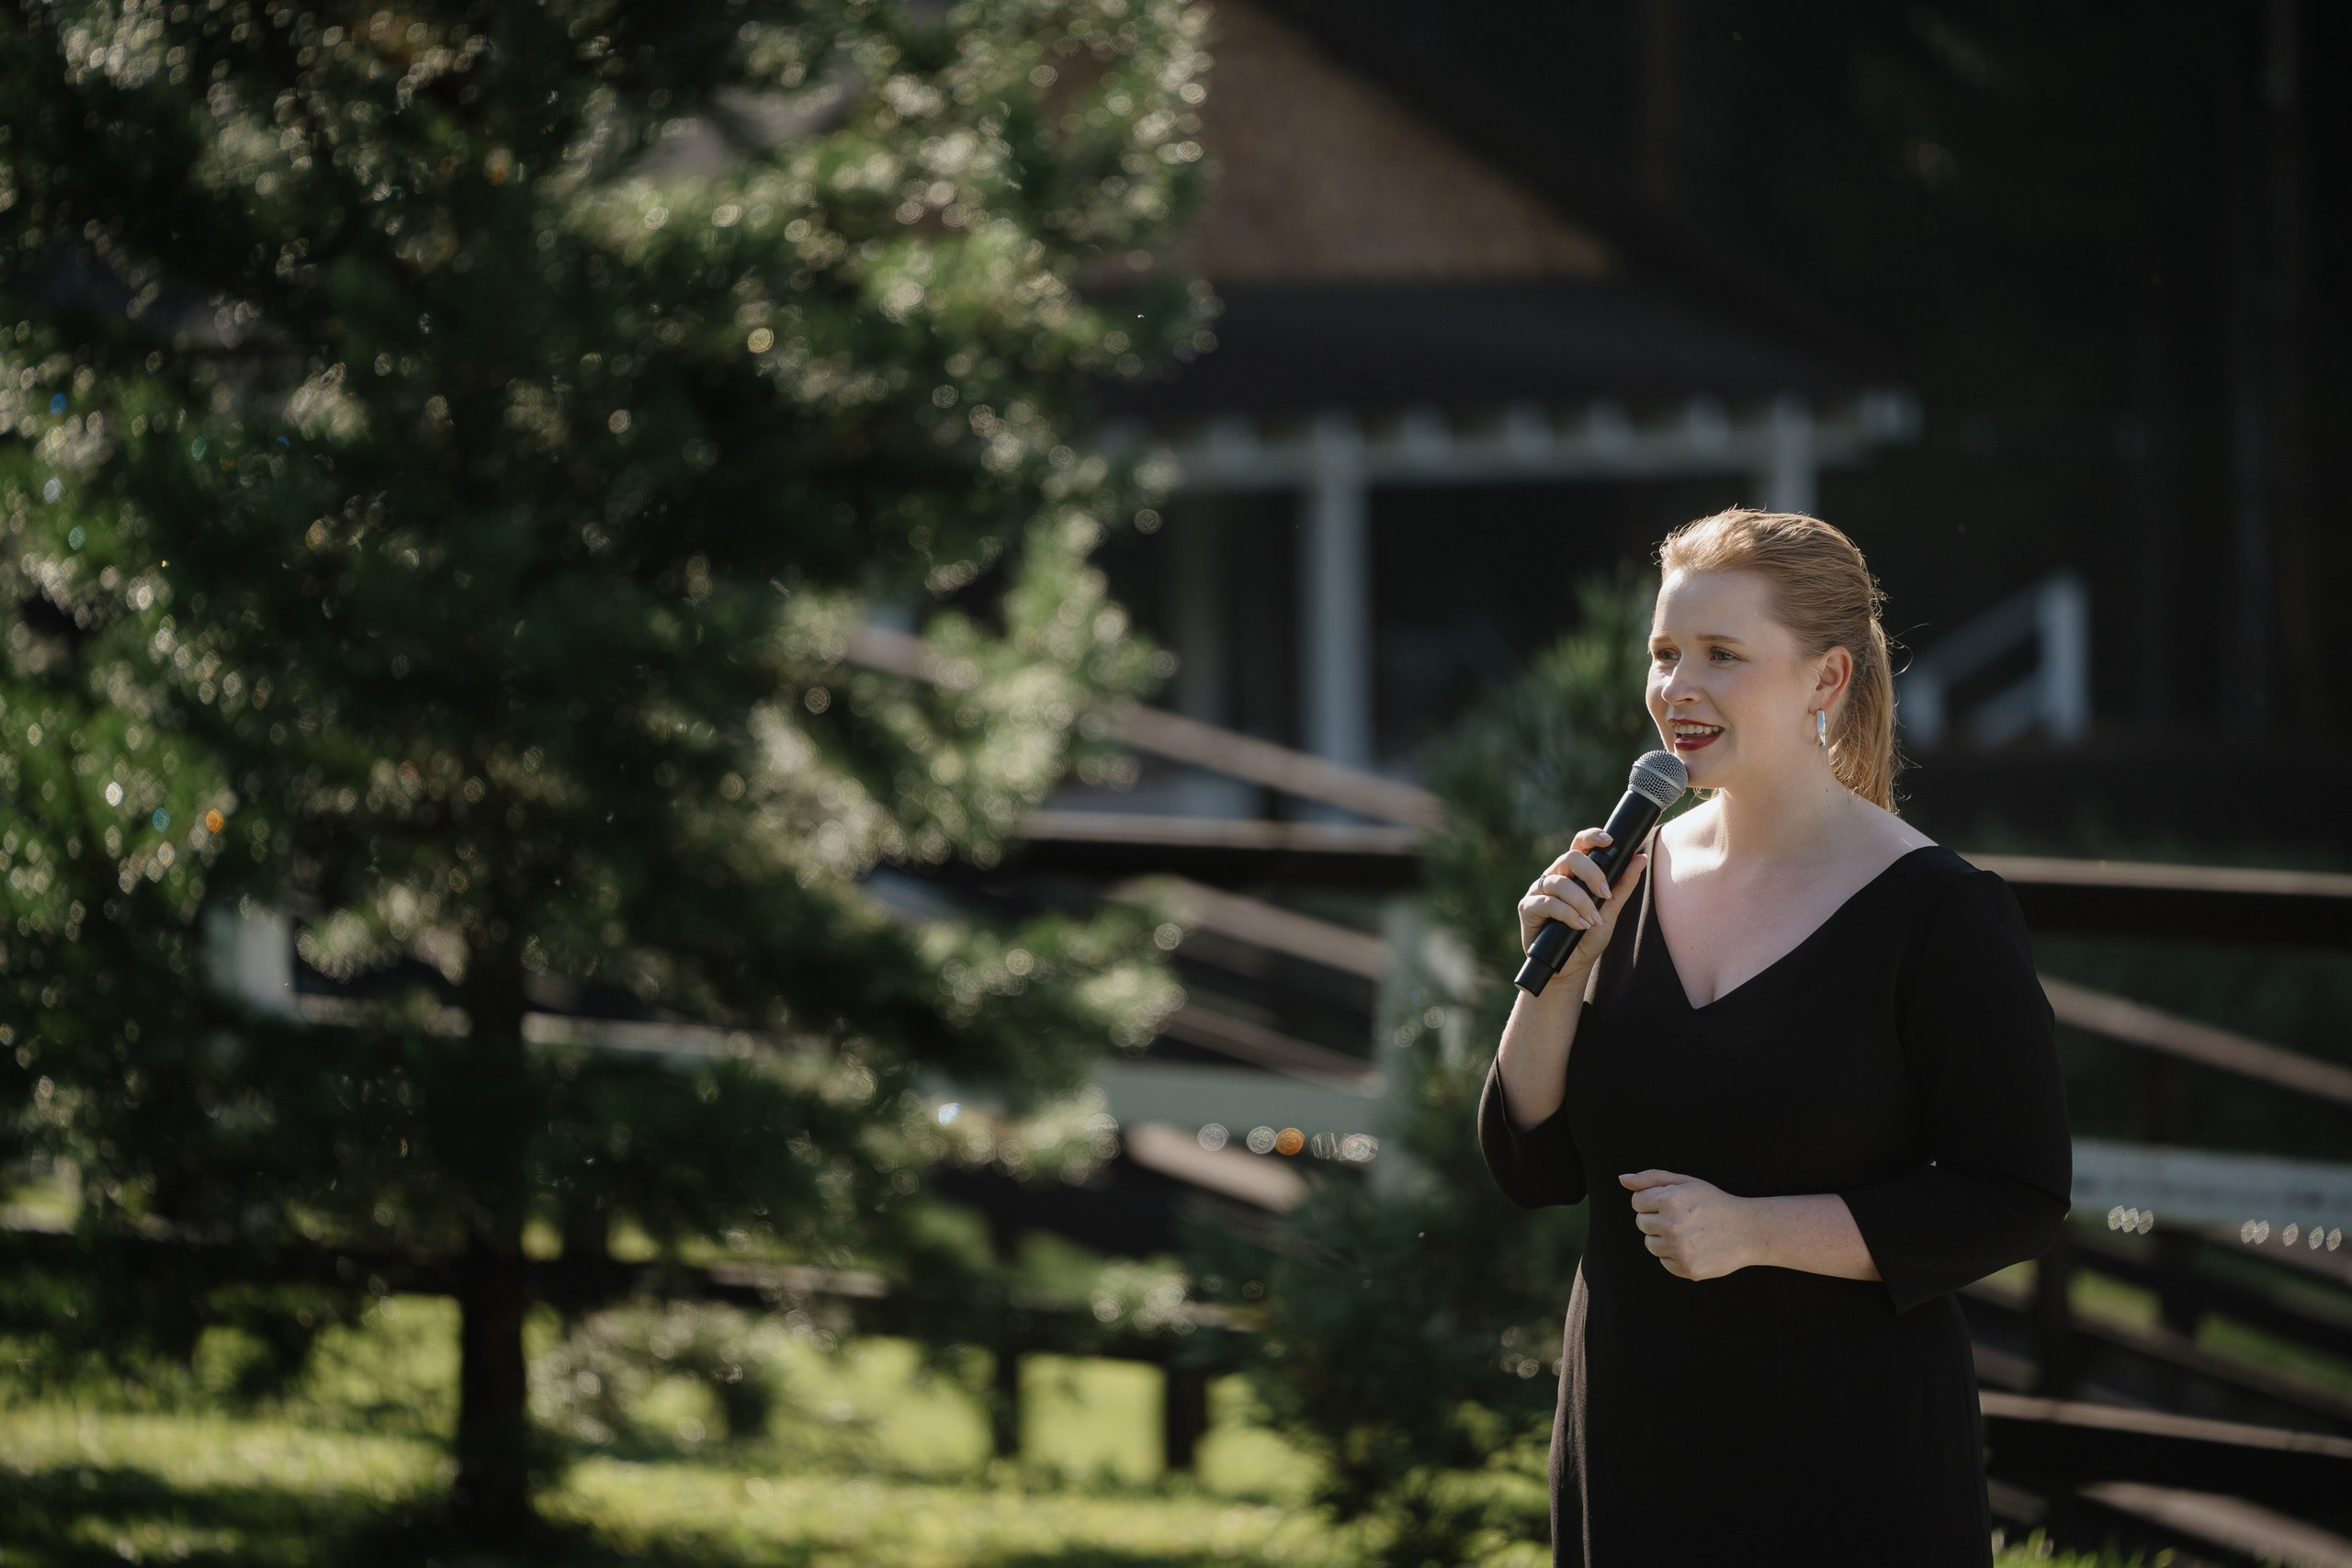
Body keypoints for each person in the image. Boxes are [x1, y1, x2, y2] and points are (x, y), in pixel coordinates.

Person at [1477, 509, 2072, 1566]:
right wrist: (1557, 978)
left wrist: (1757, 1232)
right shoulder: (1624, 877)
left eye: (1721, 654)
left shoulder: (1937, 912)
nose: (1677, 687)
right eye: (1664, 653)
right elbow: (1532, 1167)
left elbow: (2015, 1192)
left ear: (1825, 678)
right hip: (1635, 1443)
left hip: (1849, 1459)